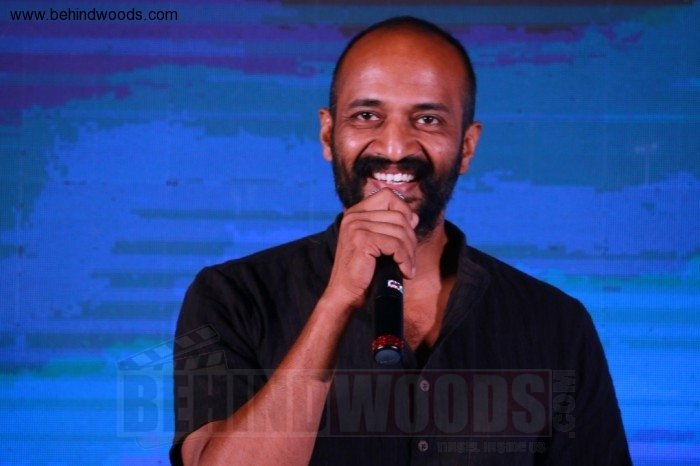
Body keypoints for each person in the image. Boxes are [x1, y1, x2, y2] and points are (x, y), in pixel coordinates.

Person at [171, 16, 631, 466]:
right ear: (328, 134)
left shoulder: (555, 323)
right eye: (367, 116)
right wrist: (336, 302)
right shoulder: (230, 297)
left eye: (428, 119)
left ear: (467, 146)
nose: (394, 148)